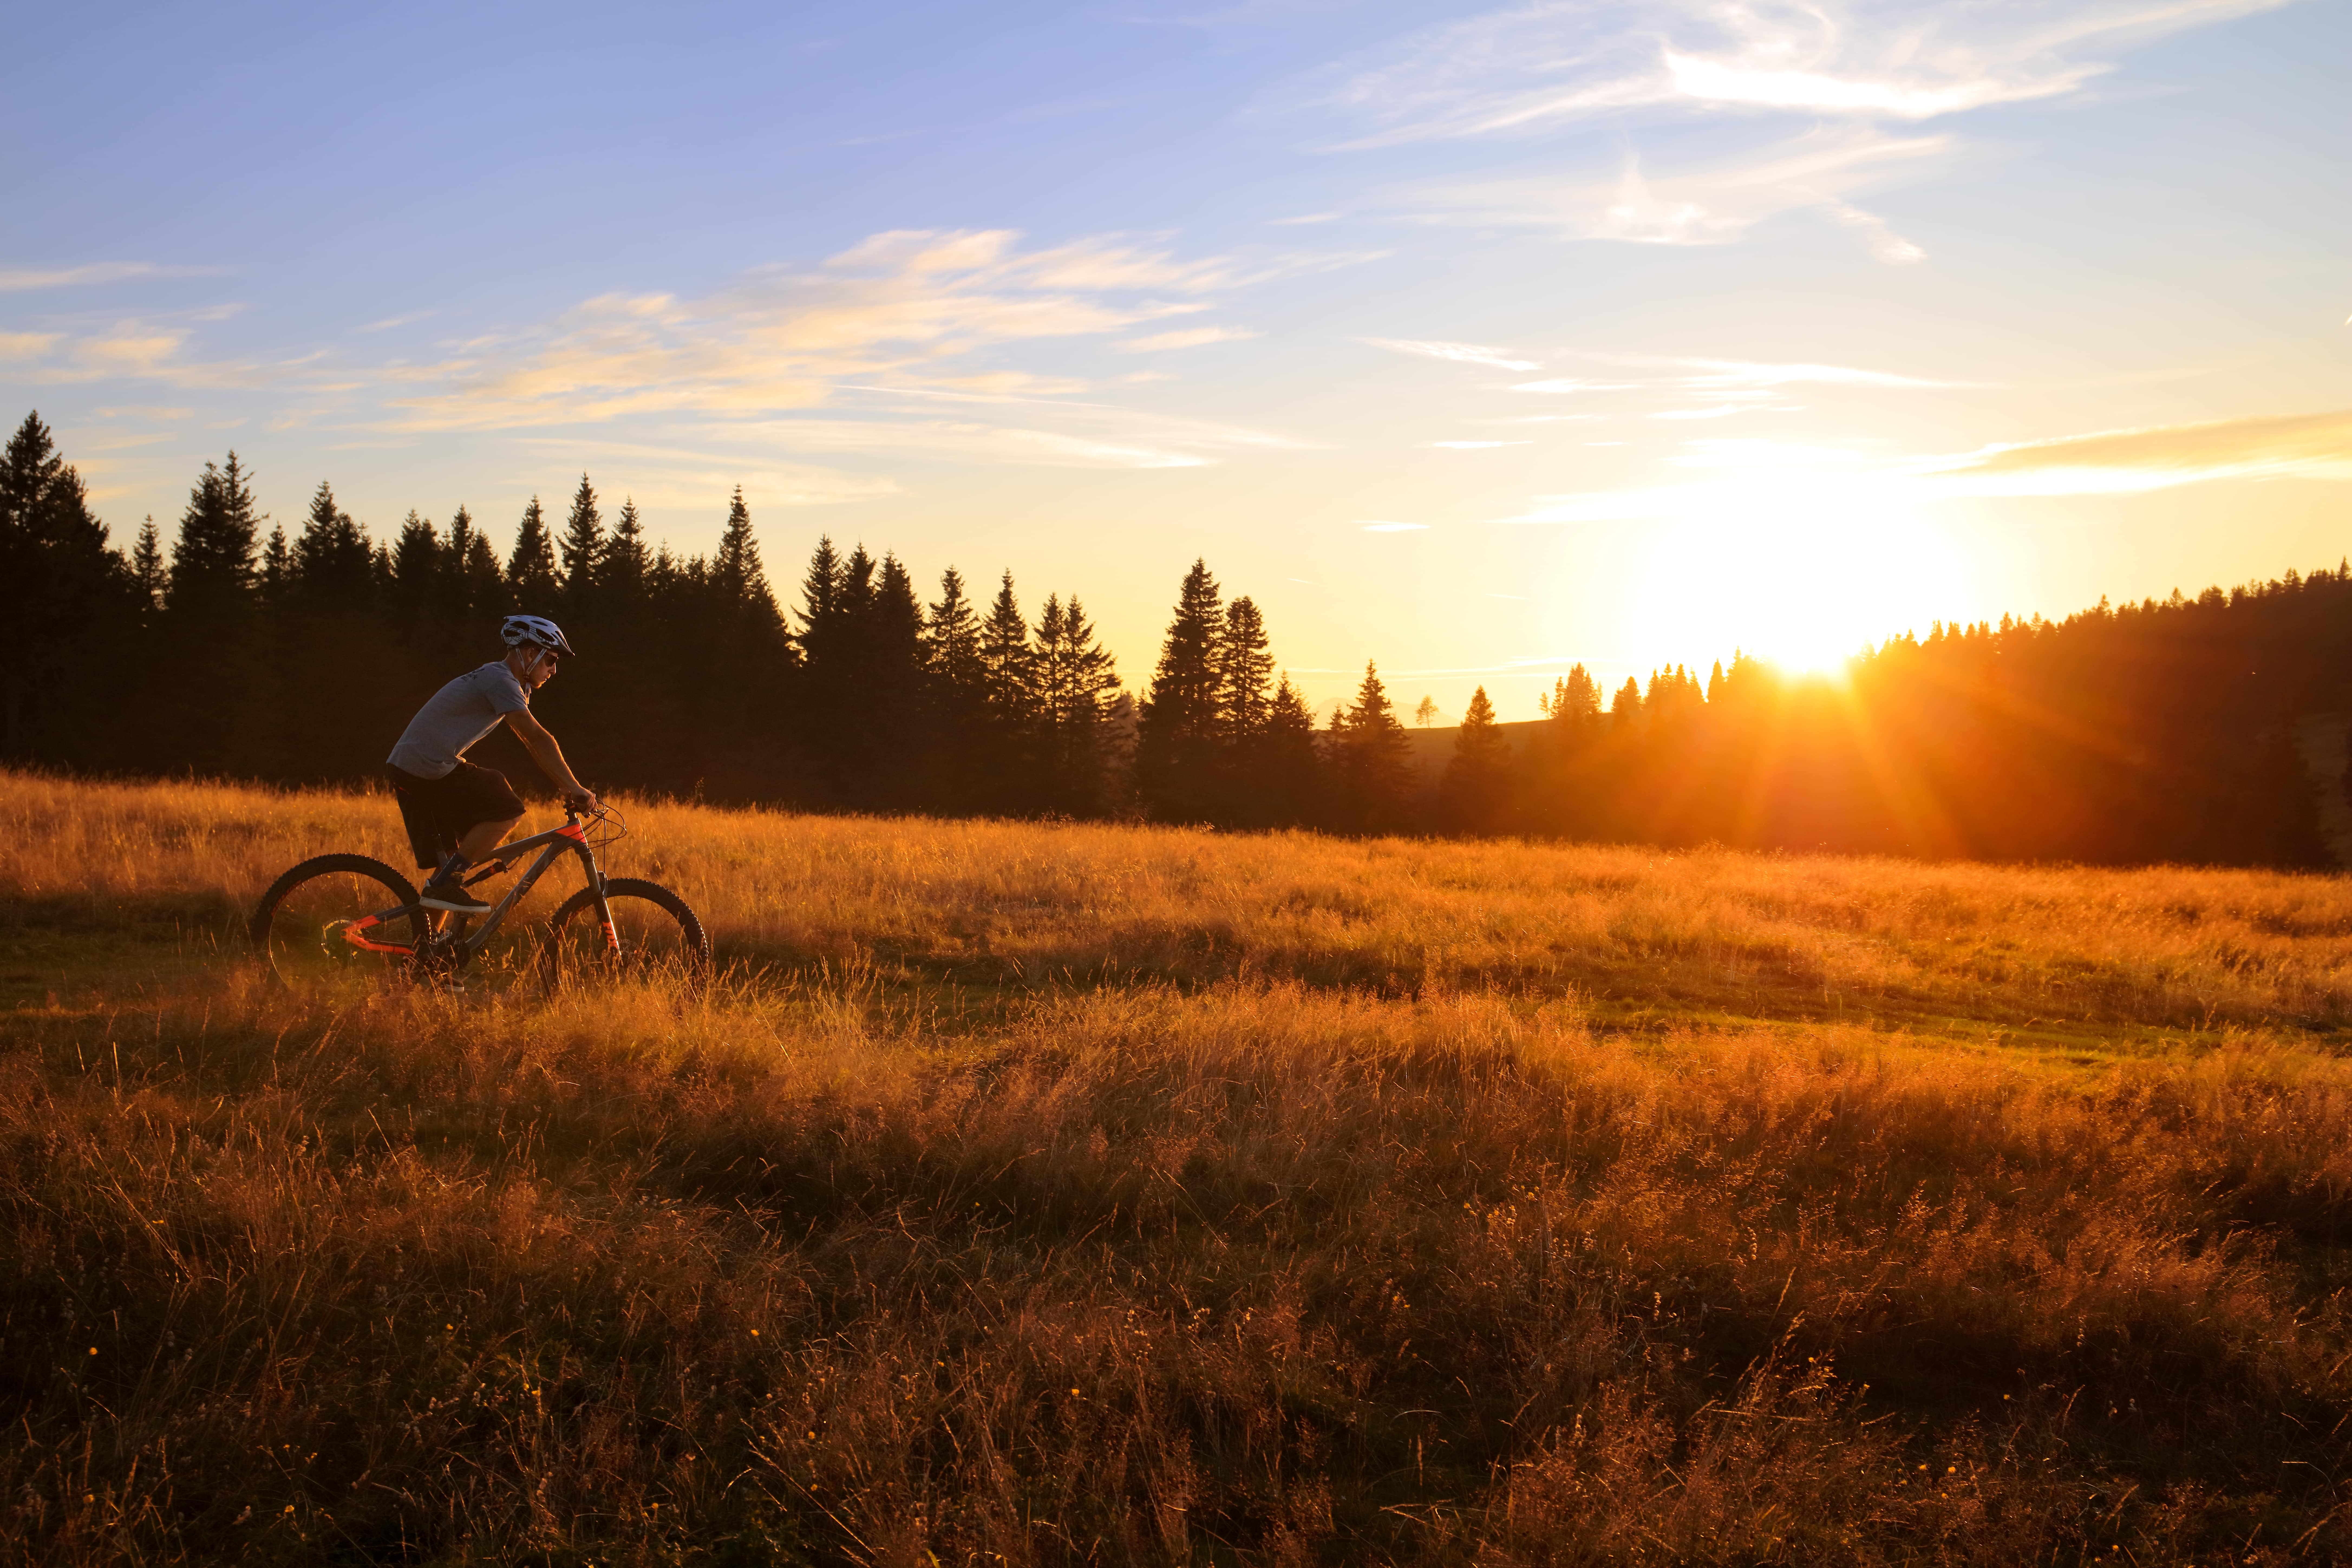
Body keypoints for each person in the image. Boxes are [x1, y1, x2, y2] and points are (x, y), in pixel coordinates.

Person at [384, 615, 597, 914]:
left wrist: (564, 784)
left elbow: (531, 742)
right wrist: (574, 786)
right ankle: (445, 885)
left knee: (449, 870)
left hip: (413, 766)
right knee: (505, 806)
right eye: (550, 659)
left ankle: (428, 955)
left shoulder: (504, 681)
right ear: (528, 653)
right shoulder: (501, 681)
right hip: (426, 767)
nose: (554, 669)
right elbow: (536, 737)